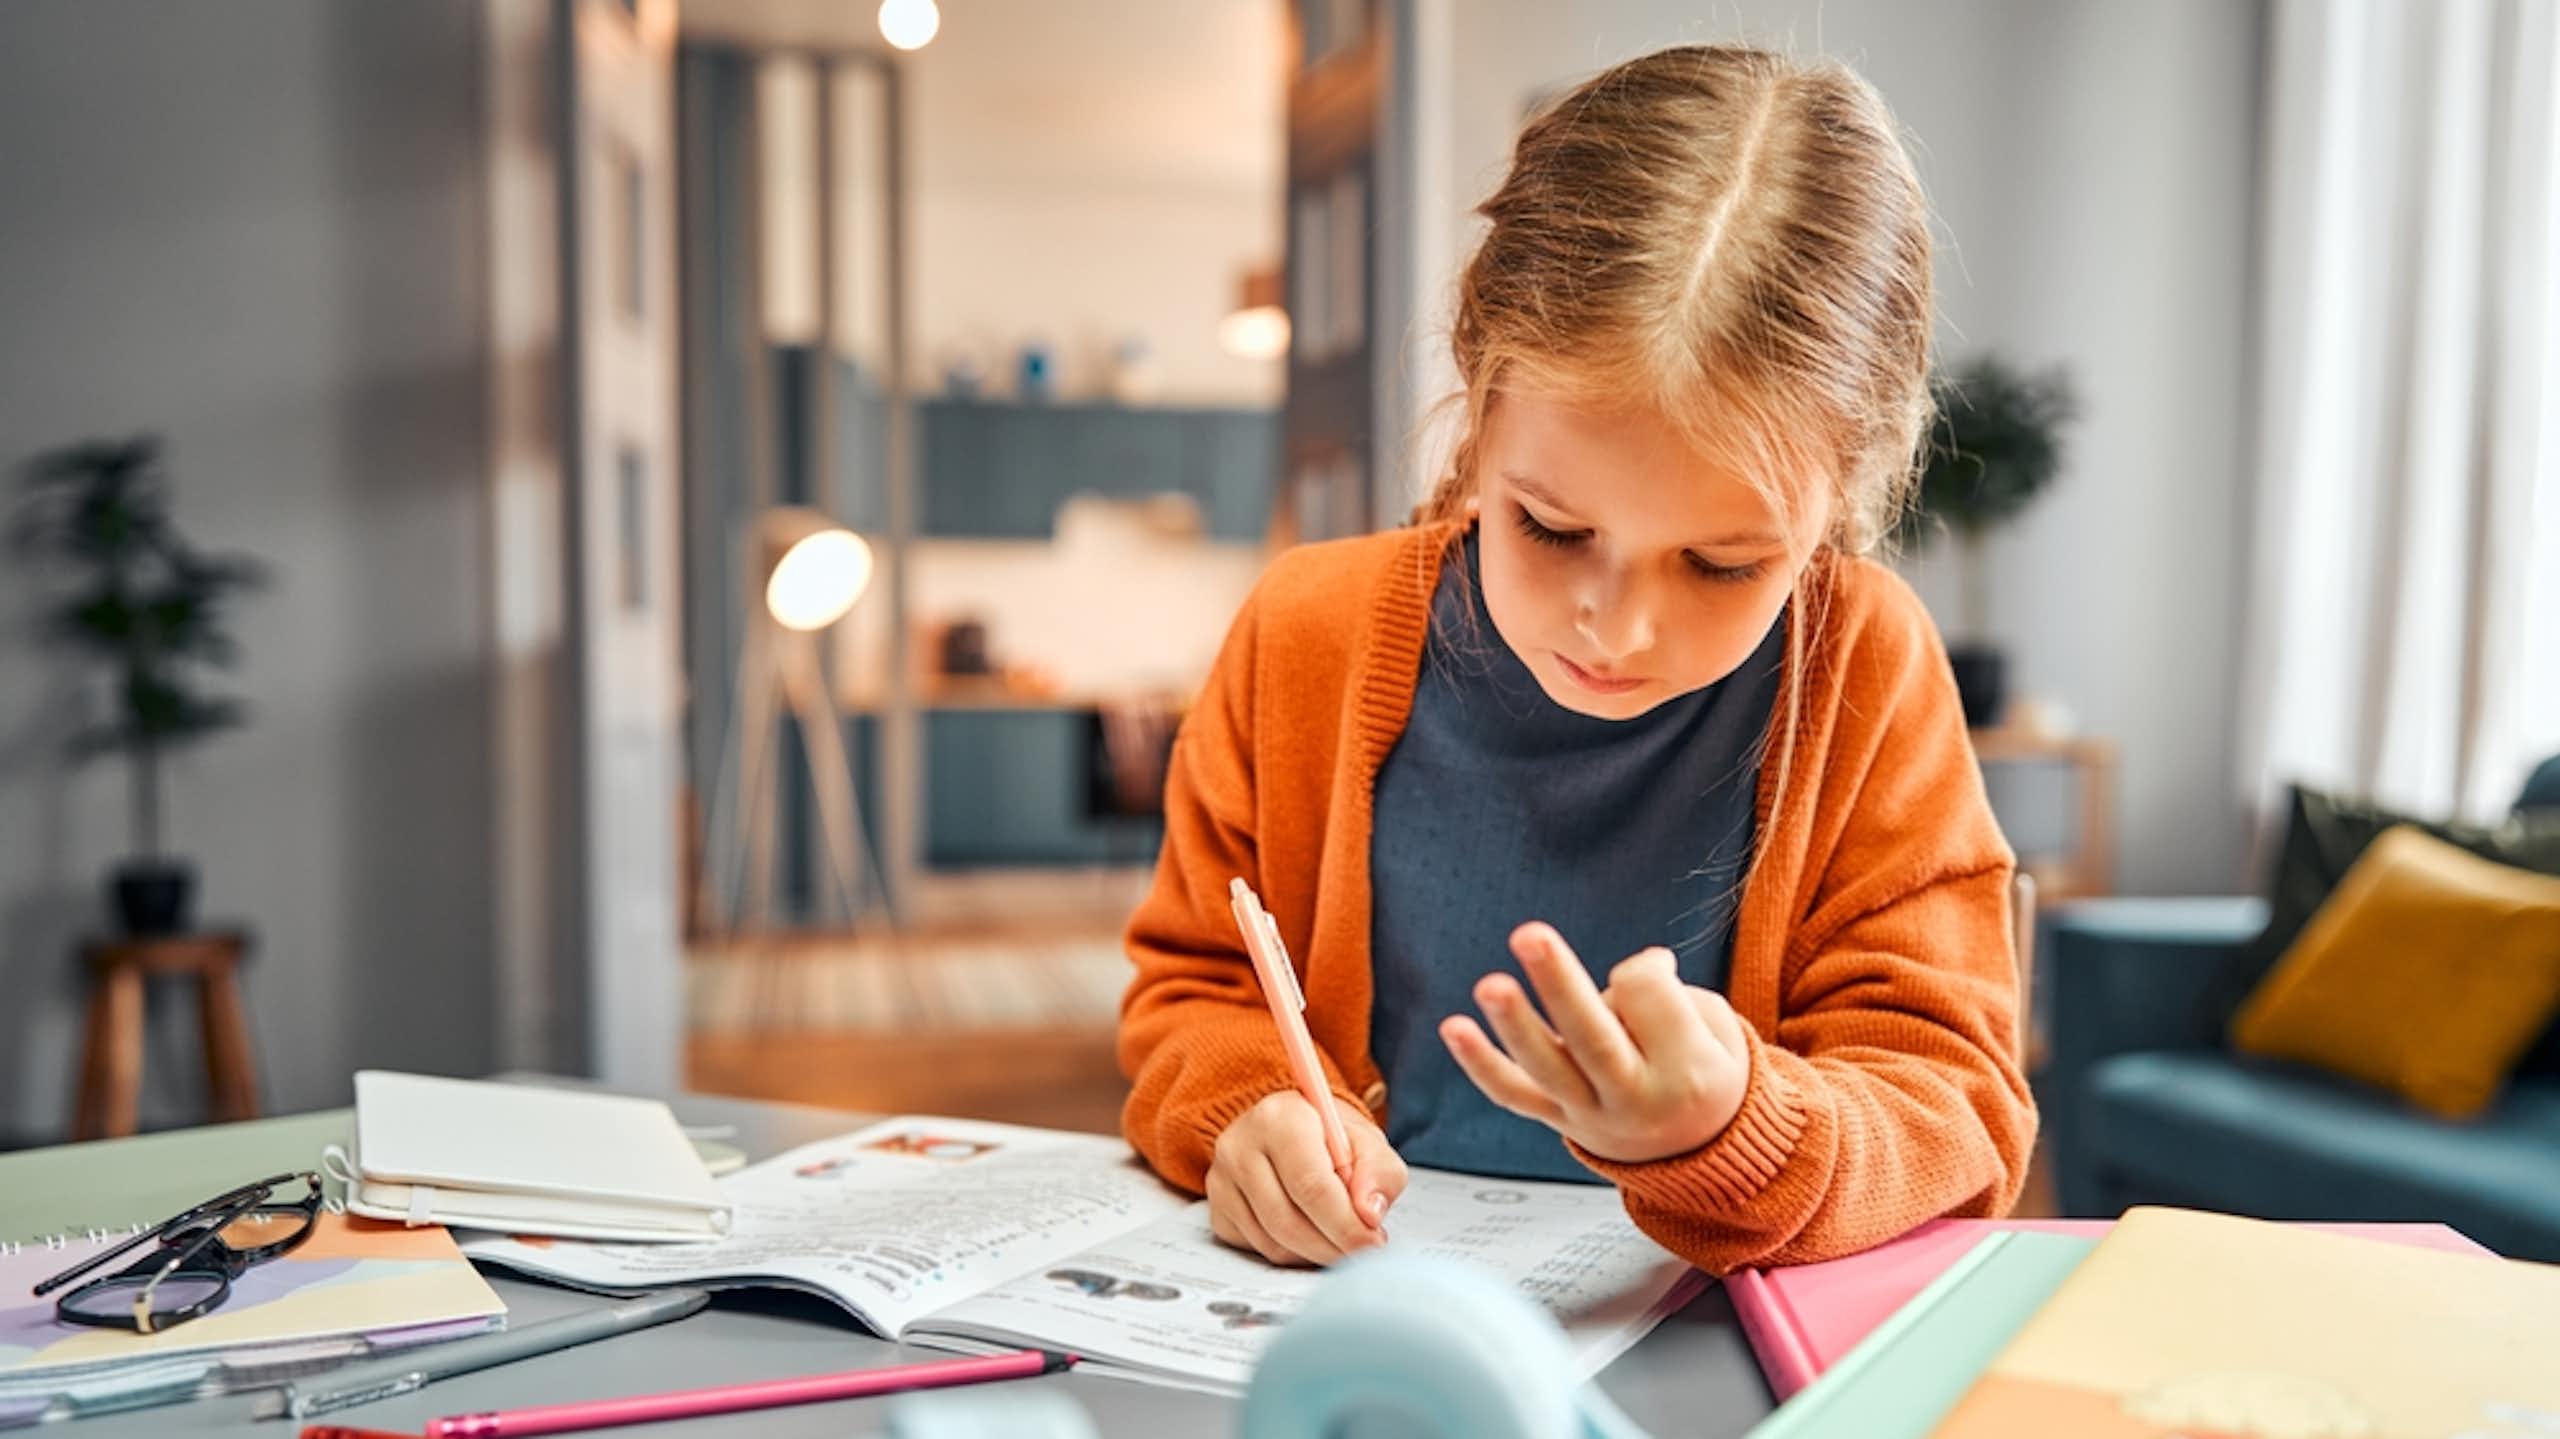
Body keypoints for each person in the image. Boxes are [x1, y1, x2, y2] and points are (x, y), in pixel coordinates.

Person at [1118, 44, 2035, 1274]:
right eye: (1550, 528)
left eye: (1722, 564)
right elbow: (1193, 987)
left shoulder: (1863, 673)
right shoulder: (1305, 634)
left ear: (1839, 508)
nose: (1617, 627)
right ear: (1478, 407)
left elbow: (1955, 1103)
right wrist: (1248, 1114)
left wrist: (1739, 1128)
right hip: (1356, 1319)